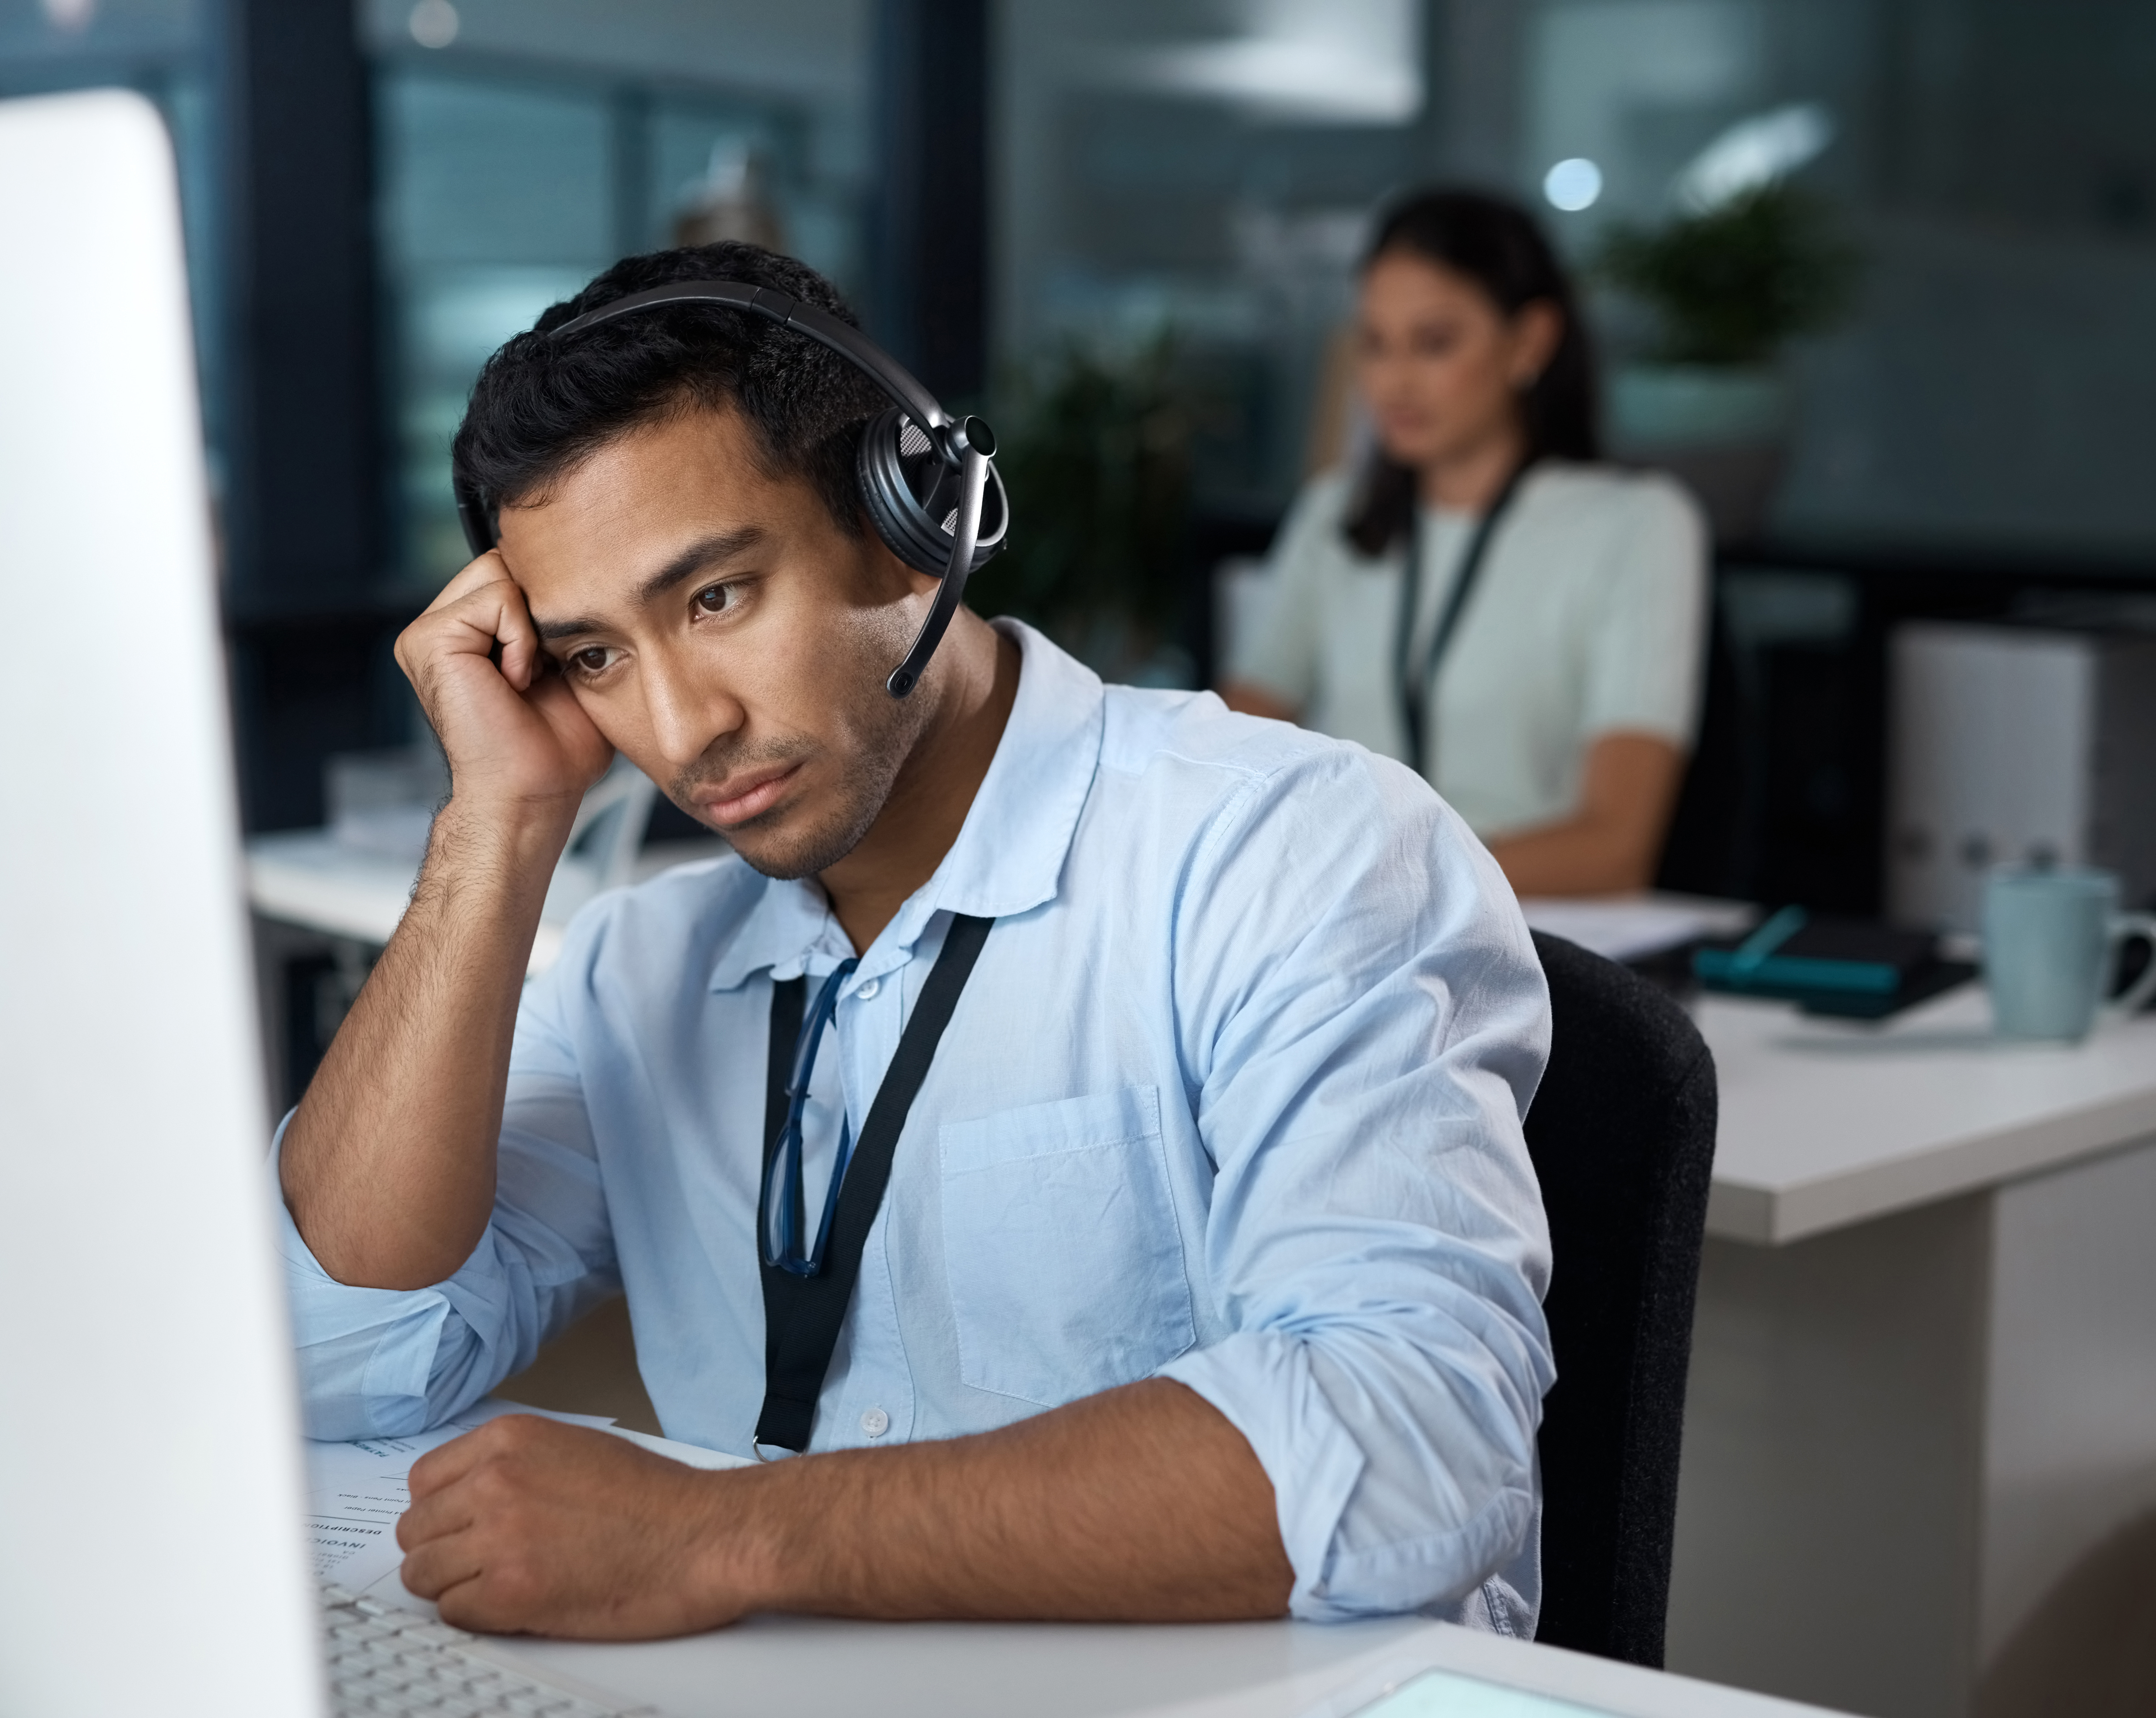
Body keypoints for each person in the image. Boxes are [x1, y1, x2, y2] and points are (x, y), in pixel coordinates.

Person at [275, 242, 1554, 1641]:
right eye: (594, 658)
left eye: (714, 599)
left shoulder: (1286, 853)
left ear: (913, 516)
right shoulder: (637, 964)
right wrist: (495, 830)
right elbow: (335, 1354)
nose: (678, 726)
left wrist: (719, 1539)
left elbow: (1411, 1450)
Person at [1222, 189, 1707, 898]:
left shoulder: (1637, 525)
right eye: (1375, 344)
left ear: (1530, 341)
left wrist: (1382, 877)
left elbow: (1614, 847)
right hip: (1353, 924)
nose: (1393, 381)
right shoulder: (1336, 513)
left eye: (1434, 342)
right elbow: (1231, 757)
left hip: (1532, 934)